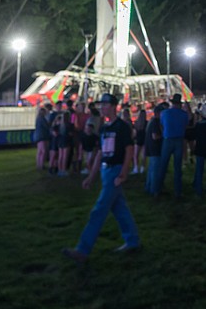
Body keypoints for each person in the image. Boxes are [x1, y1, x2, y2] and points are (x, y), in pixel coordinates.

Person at [62, 93, 142, 263]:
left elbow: (129, 149)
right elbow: (100, 153)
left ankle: (83, 249)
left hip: (115, 171)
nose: (102, 108)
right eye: (101, 105)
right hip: (106, 171)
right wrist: (91, 176)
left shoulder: (122, 127)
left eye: (105, 105)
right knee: (120, 209)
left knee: (99, 210)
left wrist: (124, 172)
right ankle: (132, 240)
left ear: (114, 106)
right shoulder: (104, 128)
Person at [156, 96, 190, 198]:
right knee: (177, 167)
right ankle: (178, 191)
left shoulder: (164, 113)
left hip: (167, 139)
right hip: (179, 139)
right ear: (179, 104)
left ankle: (158, 189)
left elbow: (162, 125)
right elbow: (185, 126)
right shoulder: (184, 114)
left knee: (163, 165)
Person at [144, 102, 166, 194]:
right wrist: (164, 134)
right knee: (155, 171)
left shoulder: (151, 121)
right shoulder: (156, 123)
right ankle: (155, 191)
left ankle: (149, 188)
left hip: (151, 149)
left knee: (151, 170)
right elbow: (155, 136)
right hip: (156, 149)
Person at [33, 105, 51, 170]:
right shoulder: (42, 119)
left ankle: (39, 164)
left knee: (39, 151)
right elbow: (47, 126)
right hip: (42, 136)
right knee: (43, 151)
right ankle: (41, 164)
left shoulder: (38, 119)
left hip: (38, 136)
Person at [132, 106, 147, 175]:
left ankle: (136, 168)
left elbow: (134, 132)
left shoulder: (136, 123)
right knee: (143, 155)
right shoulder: (146, 123)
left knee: (136, 155)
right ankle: (142, 168)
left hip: (138, 139)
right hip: (144, 139)